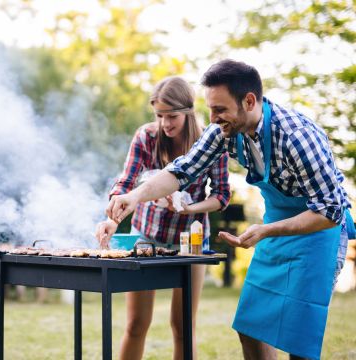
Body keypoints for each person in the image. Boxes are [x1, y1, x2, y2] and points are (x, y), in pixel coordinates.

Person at [107, 59, 355, 360]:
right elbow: (181, 171)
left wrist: (266, 230)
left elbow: (330, 211)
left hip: (319, 231)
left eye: (220, 110)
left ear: (249, 101)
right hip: (275, 226)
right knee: (250, 326)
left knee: (297, 340)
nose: (212, 118)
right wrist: (135, 197)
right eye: (210, 109)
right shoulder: (224, 131)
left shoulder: (296, 137)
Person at [95, 76, 231, 360]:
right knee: (136, 325)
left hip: (190, 240)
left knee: (183, 326)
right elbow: (125, 183)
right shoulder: (146, 136)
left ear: (188, 112)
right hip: (146, 235)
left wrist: (188, 208)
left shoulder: (211, 142)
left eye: (172, 116)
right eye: (159, 115)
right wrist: (111, 217)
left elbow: (221, 196)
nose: (165, 123)